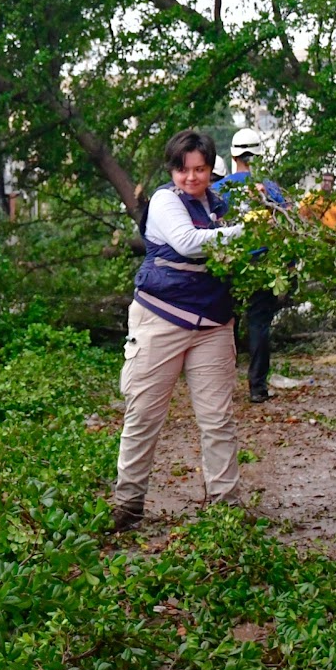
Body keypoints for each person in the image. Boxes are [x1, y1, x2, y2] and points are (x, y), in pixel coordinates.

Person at [112, 129, 245, 532]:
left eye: (201, 169)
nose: (192, 178)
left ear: (210, 170)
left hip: (212, 324)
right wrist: (250, 231)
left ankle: (226, 506)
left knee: (218, 419)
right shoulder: (166, 203)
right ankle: (128, 503)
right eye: (184, 170)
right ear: (173, 170)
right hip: (160, 320)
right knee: (144, 414)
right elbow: (188, 243)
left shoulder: (221, 206)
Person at [212, 129, 289, 404]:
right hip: (263, 262)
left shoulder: (219, 189)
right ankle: (257, 387)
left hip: (229, 263)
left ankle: (223, 386)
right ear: (258, 155)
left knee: (225, 324)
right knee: (259, 324)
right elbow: (286, 224)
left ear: (232, 154)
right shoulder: (270, 187)